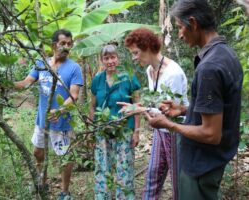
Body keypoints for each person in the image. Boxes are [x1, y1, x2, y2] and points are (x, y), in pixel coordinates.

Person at [141, 1, 243, 199]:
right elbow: (219, 109)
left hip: (201, 164)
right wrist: (183, 110)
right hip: (213, 160)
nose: (179, 34)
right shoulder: (226, 54)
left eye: (180, 27)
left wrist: (169, 125)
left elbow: (211, 133)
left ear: (193, 23)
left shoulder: (209, 68)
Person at [14, 29, 83, 200]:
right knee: (38, 152)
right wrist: (9, 84)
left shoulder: (74, 68)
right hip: (42, 121)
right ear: (54, 45)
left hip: (62, 123)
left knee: (64, 158)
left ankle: (65, 192)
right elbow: (26, 82)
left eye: (69, 43)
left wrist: (60, 110)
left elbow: (73, 96)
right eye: (63, 43)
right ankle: (42, 182)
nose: (66, 47)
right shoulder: (41, 63)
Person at [121, 28, 188, 200]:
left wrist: (139, 109)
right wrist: (136, 107)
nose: (134, 58)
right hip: (160, 130)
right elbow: (155, 103)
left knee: (177, 181)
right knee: (153, 176)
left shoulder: (173, 72)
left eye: (136, 53)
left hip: (176, 131)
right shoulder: (150, 71)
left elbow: (170, 112)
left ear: (148, 47)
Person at [89, 44, 141, 199]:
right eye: (106, 58)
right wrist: (91, 132)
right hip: (102, 131)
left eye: (113, 57)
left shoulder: (128, 78)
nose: (110, 61)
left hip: (124, 130)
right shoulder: (97, 80)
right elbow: (92, 107)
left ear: (118, 59)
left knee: (124, 168)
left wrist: (136, 132)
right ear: (102, 60)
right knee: (102, 167)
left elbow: (137, 106)